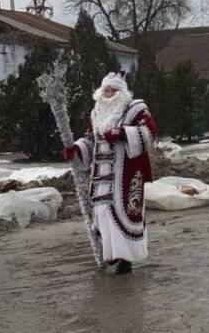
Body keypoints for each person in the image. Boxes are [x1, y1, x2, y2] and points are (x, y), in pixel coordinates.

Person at [63, 72, 158, 273]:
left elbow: (150, 133)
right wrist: (77, 148)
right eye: (106, 90)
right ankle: (111, 254)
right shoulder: (96, 112)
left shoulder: (136, 109)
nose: (108, 94)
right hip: (101, 176)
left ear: (121, 92)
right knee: (102, 212)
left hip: (125, 174)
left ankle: (125, 258)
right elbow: (91, 139)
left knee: (121, 213)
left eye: (112, 90)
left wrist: (122, 133)